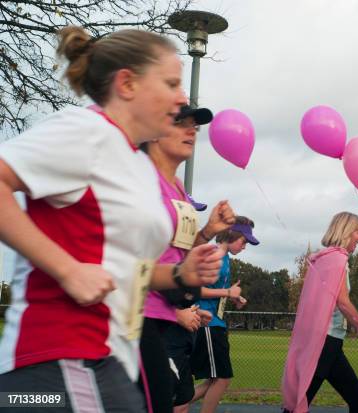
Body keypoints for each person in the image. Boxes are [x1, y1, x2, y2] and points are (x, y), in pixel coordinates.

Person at [0, 26, 223, 412]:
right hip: (60, 357)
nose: (181, 97)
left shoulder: (135, 163)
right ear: (127, 84)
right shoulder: (87, 131)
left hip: (108, 359)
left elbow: (126, 269)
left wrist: (180, 274)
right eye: (170, 83)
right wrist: (68, 270)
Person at [139, 105, 237, 413]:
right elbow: (129, 259)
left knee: (178, 400)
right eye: (182, 122)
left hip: (169, 318)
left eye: (196, 125)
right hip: (141, 319)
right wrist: (178, 311)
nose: (192, 130)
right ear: (154, 131)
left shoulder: (178, 188)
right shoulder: (140, 183)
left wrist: (207, 231)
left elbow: (177, 256)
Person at [282, 212, 358, 413]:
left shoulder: (323, 259)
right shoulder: (338, 260)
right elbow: (343, 303)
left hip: (326, 342)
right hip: (325, 343)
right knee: (298, 406)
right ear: (346, 231)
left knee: (357, 398)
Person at [189, 216, 259, 413]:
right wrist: (228, 292)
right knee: (222, 378)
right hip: (207, 323)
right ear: (231, 234)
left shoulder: (225, 258)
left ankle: (172, 404)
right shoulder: (213, 255)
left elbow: (215, 288)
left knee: (216, 380)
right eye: (243, 241)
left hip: (215, 322)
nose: (245, 246)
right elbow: (194, 290)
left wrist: (233, 297)